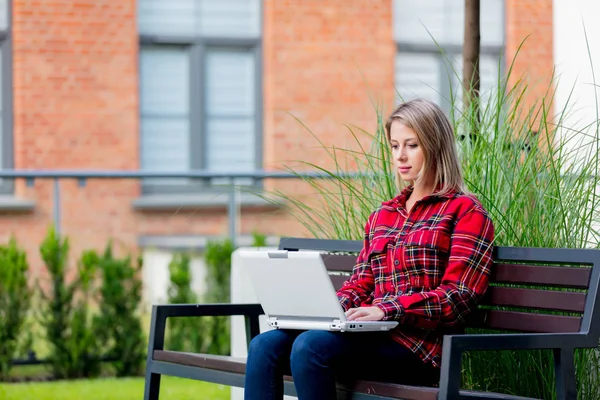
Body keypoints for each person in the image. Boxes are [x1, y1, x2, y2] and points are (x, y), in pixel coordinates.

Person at [244, 98, 495, 400]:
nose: (401, 156)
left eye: (412, 145)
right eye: (394, 146)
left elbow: (458, 297)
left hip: (418, 349)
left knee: (310, 348)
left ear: (435, 145)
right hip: (368, 338)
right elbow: (361, 283)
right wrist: (324, 309)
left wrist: (387, 309)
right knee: (263, 346)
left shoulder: (466, 212)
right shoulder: (383, 214)